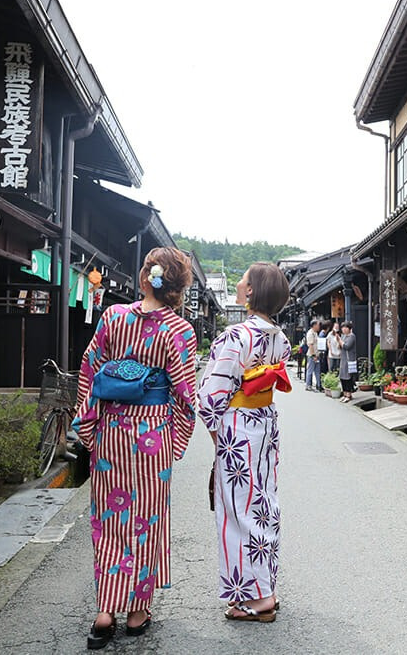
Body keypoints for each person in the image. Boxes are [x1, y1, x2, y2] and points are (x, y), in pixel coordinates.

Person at [72, 247, 198, 650]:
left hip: (111, 431)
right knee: (145, 520)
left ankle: (105, 611)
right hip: (152, 435)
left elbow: (90, 370)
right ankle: (137, 610)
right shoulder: (179, 331)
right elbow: (185, 395)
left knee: (109, 520)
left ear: (145, 277)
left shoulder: (113, 317)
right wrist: (176, 440)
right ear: (179, 287)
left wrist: (89, 427)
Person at [198, 262, 291, 623]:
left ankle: (256, 599)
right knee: (264, 505)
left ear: (250, 291)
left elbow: (210, 396)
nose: (238, 284)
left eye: (243, 281)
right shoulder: (278, 337)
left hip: (237, 428)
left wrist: (217, 436)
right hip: (265, 424)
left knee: (238, 512)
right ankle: (266, 586)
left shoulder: (235, 336)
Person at [338, 321, 357, 402]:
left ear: (349, 329)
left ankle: (349, 394)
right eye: (343, 328)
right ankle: (345, 393)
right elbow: (340, 346)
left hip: (349, 359)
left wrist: (340, 341)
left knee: (348, 377)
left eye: (346, 328)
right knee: (342, 376)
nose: (344, 329)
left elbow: (346, 346)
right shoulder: (343, 336)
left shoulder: (352, 336)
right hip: (343, 359)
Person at [304, 319, 322, 392]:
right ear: (314, 325)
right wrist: (314, 355)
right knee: (310, 370)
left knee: (317, 371)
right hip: (312, 355)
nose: (319, 326)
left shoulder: (315, 333)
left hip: (316, 354)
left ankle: (319, 385)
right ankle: (308, 385)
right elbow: (310, 345)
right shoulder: (310, 333)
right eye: (318, 325)